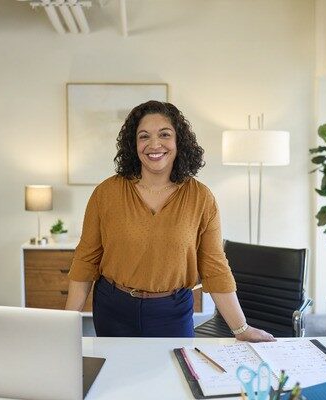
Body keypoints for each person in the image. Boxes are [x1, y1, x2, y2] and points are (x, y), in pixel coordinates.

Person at [65, 100, 275, 342]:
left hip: (172, 312)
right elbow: (85, 260)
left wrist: (241, 329)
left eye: (164, 134)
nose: (154, 144)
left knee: (176, 376)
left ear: (179, 142)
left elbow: (214, 267)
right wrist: (67, 324)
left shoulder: (201, 197)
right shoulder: (106, 192)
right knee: (115, 379)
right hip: (113, 309)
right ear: (134, 145)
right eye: (144, 136)